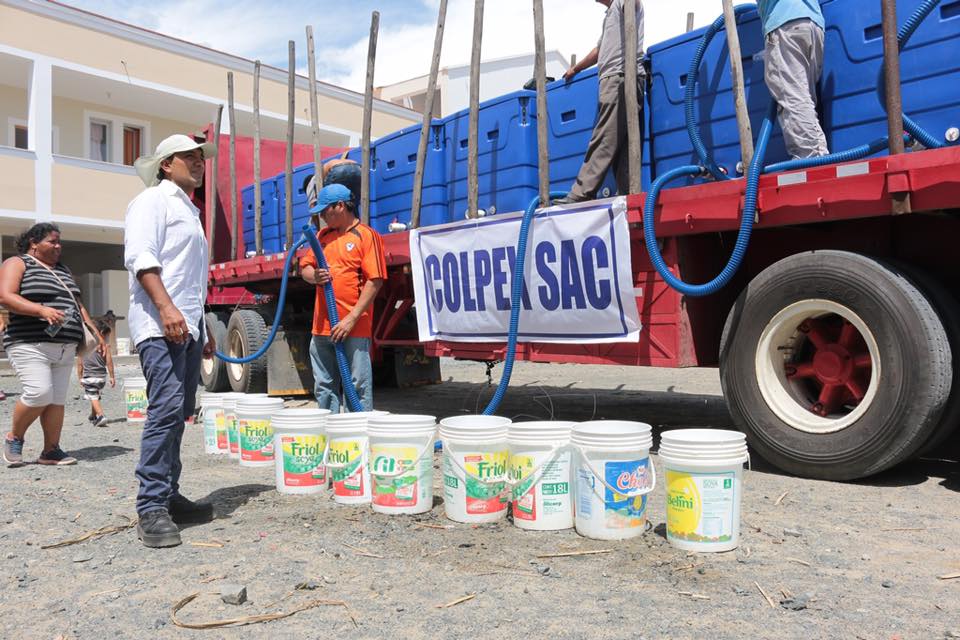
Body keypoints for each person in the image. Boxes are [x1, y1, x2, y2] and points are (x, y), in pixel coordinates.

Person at [126, 134, 217, 548]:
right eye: (189, 157)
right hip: (159, 324)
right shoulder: (152, 202)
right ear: (166, 164)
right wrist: (165, 308)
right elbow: (142, 258)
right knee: (164, 408)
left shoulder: (189, 210)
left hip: (187, 325)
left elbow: (192, 279)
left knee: (180, 411)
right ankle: (150, 507)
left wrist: (205, 326)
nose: (198, 162)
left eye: (201, 157)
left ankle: (168, 494)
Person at [0, 223, 106, 467]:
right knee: (39, 393)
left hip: (65, 345)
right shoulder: (18, 263)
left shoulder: (63, 269)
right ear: (33, 243)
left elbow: (77, 304)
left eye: (60, 241)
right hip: (29, 342)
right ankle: (14, 437)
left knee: (57, 400)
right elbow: (5, 296)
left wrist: (95, 332)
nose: (58, 246)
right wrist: (41, 309)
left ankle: (51, 450)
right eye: (52, 241)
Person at [299, 183, 386, 413]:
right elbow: (305, 267)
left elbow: (375, 280)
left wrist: (350, 319)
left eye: (325, 211)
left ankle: (355, 438)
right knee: (324, 385)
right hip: (322, 327)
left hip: (353, 327)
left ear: (340, 206)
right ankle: (331, 436)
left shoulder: (366, 236)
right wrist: (314, 276)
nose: (322, 217)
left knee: (357, 386)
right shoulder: (322, 236)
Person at [554, 0, 646, 204]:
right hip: (615, 80)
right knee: (622, 146)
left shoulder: (624, 3)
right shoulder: (610, 14)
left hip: (621, 79)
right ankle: (628, 196)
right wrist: (576, 68)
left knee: (605, 138)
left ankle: (581, 193)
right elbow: (598, 50)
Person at [757, 0, 829, 159]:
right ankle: (819, 153)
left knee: (793, 97)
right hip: (813, 25)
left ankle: (811, 158)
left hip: (785, 25)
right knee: (803, 98)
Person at [77, 320, 115, 427]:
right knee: (95, 395)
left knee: (92, 396)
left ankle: (101, 416)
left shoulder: (84, 345)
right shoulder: (105, 347)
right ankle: (93, 415)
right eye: (107, 336)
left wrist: (80, 377)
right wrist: (112, 376)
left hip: (89, 376)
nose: (107, 339)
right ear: (101, 333)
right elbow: (109, 362)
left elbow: (80, 364)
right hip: (101, 377)